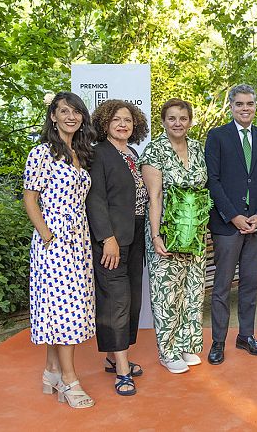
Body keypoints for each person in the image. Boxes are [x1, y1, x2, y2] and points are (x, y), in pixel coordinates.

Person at [23, 92, 96, 408]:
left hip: (78, 241)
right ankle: (69, 380)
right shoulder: (42, 153)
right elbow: (30, 198)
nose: (71, 116)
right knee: (68, 309)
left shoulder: (80, 152)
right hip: (54, 242)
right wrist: (48, 236)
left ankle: (51, 370)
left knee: (62, 307)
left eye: (76, 112)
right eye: (63, 111)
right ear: (52, 116)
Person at [205, 84, 257, 365]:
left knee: (249, 283)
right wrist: (233, 216)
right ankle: (218, 341)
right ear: (231, 107)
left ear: (255, 106)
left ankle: (246, 335)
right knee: (222, 286)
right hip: (227, 224)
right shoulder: (217, 136)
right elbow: (213, 180)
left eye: (250, 103)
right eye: (240, 104)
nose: (245, 108)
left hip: (256, 224)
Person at [140, 98, 209, 374]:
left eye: (183, 118)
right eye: (172, 118)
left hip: (194, 230)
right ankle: (167, 351)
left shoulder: (197, 147)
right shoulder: (155, 150)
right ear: (163, 121)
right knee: (166, 291)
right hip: (166, 228)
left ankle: (185, 344)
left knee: (191, 288)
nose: (178, 123)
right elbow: (154, 196)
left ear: (190, 121)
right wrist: (156, 235)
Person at [86, 99, 149, 396]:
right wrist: (106, 238)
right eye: (116, 120)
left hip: (136, 234)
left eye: (127, 120)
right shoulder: (98, 154)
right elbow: (95, 199)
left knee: (133, 298)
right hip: (112, 239)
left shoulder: (132, 154)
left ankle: (114, 356)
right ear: (105, 124)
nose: (123, 124)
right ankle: (122, 369)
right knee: (117, 301)